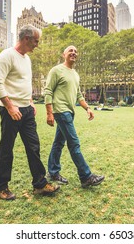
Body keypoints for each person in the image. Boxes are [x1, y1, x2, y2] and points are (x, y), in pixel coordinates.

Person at [0, 25, 59, 200]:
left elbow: (24, 82)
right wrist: (10, 107)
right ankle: (1, 187)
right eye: (36, 41)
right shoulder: (7, 55)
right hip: (10, 111)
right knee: (6, 149)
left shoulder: (27, 59)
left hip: (27, 111)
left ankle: (40, 184)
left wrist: (29, 101)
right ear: (26, 38)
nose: (37, 44)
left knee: (33, 147)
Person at [44, 45, 105, 188]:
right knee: (74, 143)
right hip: (61, 111)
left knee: (59, 142)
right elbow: (48, 91)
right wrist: (49, 113)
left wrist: (87, 108)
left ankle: (53, 172)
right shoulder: (56, 70)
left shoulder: (75, 74)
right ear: (63, 54)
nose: (73, 53)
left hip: (70, 112)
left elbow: (78, 95)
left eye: (75, 51)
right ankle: (86, 176)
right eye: (70, 51)